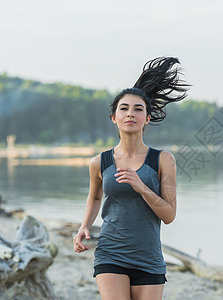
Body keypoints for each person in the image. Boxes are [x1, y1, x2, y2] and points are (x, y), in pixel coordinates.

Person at [73, 57, 189, 300]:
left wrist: (142, 187)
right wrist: (84, 226)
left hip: (149, 257)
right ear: (114, 118)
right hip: (110, 253)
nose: (130, 114)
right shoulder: (100, 162)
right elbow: (95, 196)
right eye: (123, 108)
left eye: (138, 109)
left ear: (147, 118)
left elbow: (169, 216)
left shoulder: (163, 160)